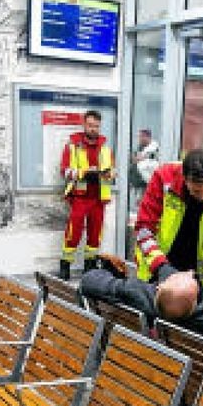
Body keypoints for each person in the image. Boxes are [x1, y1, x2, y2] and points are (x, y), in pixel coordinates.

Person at [80, 254, 203, 370]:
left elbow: (89, 282)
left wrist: (111, 272)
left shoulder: (145, 299)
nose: (190, 271)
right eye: (192, 277)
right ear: (198, 298)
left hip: (160, 373)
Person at [134, 148, 203, 288]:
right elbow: (143, 230)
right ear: (184, 177)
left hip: (196, 278)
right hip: (156, 270)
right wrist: (161, 267)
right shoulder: (163, 179)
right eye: (196, 191)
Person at [59, 109, 114, 280]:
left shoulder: (105, 148)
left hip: (98, 197)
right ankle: (65, 266)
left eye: (96, 126)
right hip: (80, 196)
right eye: (90, 125)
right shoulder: (72, 146)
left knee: (95, 234)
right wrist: (83, 173)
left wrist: (109, 174)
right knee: (73, 232)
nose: (93, 129)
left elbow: (112, 171)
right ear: (84, 125)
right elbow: (65, 171)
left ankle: (89, 268)